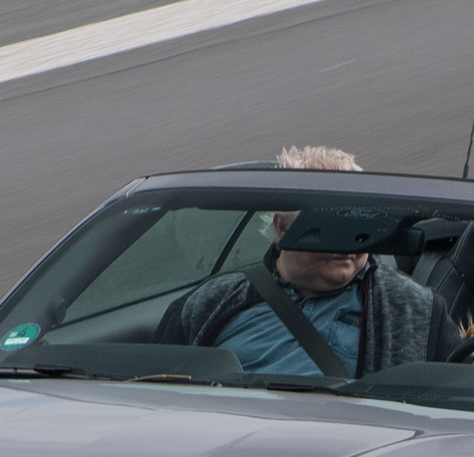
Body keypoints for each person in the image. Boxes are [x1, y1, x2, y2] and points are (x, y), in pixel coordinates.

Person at [155, 146, 450, 377]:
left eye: (359, 228)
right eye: (331, 228)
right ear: (283, 227)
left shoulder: (417, 310)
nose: (349, 245)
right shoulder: (205, 305)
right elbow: (152, 392)